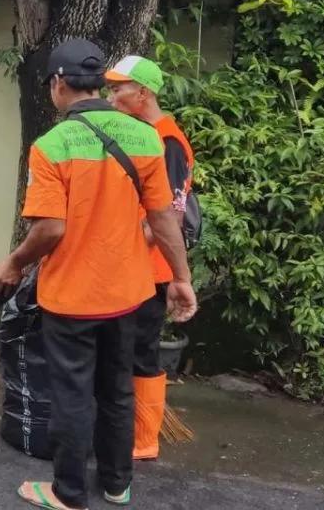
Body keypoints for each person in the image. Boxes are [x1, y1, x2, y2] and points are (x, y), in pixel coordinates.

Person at [0, 39, 197, 510]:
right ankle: (118, 484)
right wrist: (181, 277)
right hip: (130, 292)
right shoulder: (145, 137)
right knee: (117, 389)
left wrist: (16, 262)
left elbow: (50, 229)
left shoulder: (52, 145)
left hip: (72, 297)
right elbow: (164, 218)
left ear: (59, 84)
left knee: (73, 393)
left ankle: (69, 492)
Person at [106, 55, 195, 461]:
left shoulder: (167, 141)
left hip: (151, 270)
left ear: (142, 93)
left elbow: (169, 213)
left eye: (117, 88)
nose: (111, 96)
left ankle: (144, 440)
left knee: (142, 352)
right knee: (125, 349)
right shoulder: (147, 135)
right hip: (133, 267)